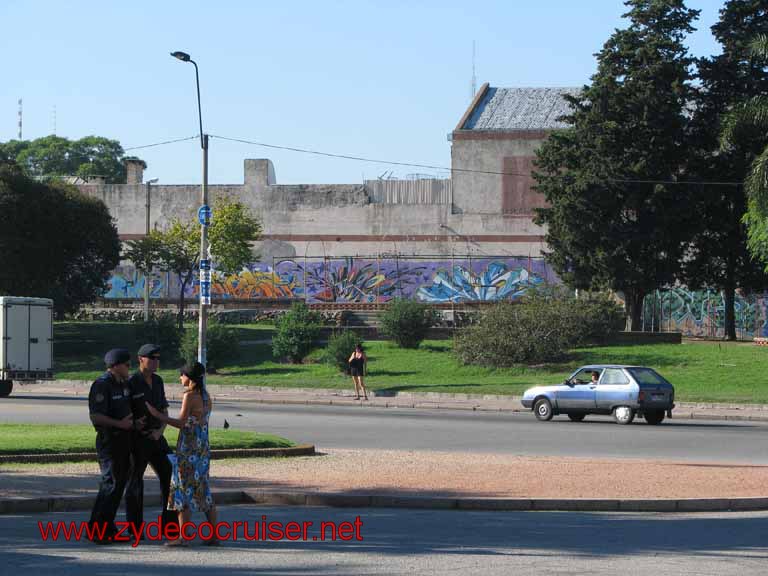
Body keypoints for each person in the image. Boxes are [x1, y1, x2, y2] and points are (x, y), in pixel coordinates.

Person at [146, 361, 218, 546]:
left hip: (189, 449)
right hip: (202, 448)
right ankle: (214, 535)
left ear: (189, 377)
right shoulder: (205, 395)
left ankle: (183, 537)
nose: (180, 378)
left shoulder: (190, 396)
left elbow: (181, 423)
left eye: (182, 375)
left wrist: (157, 414)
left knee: (182, 489)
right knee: (202, 489)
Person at [88, 348, 145, 544]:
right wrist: (120, 424)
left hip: (124, 440)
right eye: (127, 365)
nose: (130, 368)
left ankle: (105, 528)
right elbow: (96, 416)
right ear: (115, 366)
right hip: (109, 440)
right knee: (110, 484)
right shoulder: (102, 385)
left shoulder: (124, 385)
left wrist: (134, 423)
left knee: (117, 485)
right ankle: (99, 531)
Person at [126, 343, 174, 535]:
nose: (156, 362)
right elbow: (125, 411)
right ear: (140, 359)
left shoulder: (158, 381)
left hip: (157, 436)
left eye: (158, 358)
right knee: (135, 482)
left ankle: (169, 526)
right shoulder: (131, 382)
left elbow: (164, 410)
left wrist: (160, 432)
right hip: (138, 438)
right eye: (152, 358)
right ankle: (135, 529)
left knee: (171, 476)